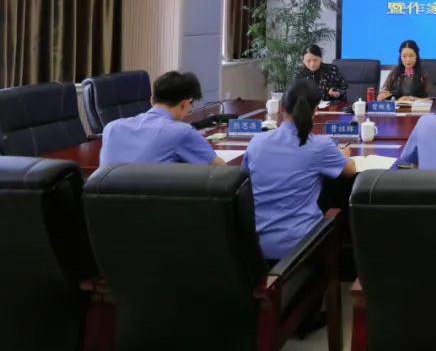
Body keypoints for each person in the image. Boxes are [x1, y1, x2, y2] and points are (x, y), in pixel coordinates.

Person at [243, 78, 356, 260]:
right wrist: (343, 153)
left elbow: (244, 181)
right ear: (315, 110)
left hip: (254, 248)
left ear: (282, 107)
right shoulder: (319, 145)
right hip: (299, 249)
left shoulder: (257, 142)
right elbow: (350, 170)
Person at [99, 71, 224, 167]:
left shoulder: (111, 128)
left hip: (107, 194)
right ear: (184, 104)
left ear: (152, 100)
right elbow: (220, 169)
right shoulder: (182, 132)